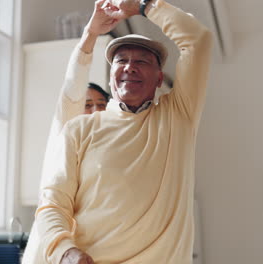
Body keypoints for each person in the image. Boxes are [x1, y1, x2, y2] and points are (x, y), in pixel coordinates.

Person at [22, 0, 213, 263]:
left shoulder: (177, 116)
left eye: (142, 61)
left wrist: (144, 6)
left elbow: (198, 40)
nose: (129, 67)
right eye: (121, 60)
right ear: (111, 75)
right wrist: (65, 251)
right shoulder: (79, 129)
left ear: (159, 78)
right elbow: (53, 204)